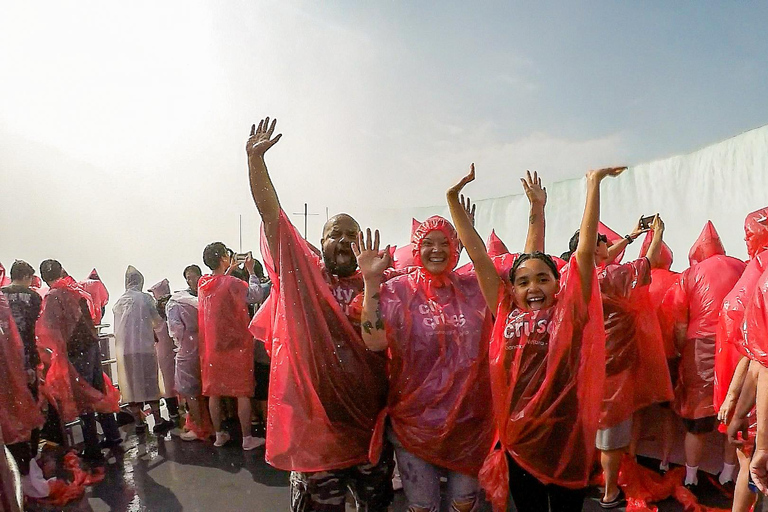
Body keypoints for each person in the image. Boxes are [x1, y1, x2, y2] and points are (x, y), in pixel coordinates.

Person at [450, 163, 619, 511]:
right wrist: (452, 200)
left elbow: (585, 253)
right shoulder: (506, 312)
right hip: (519, 437)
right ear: (512, 289)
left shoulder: (569, 313)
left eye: (543, 278)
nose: (534, 287)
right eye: (524, 282)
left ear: (559, 284)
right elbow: (478, 253)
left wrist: (592, 184)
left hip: (564, 433)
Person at [246, 117, 394, 511]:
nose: (344, 241)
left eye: (352, 234)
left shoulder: (382, 283)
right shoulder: (302, 280)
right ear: (320, 242)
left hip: (369, 430)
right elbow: (272, 217)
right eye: (335, 235)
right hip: (316, 435)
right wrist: (255, 162)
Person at [567, 216, 673, 507]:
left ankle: (590, 478)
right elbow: (647, 265)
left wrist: (632, 234)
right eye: (603, 242)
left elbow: (603, 255)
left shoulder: (573, 274)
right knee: (612, 432)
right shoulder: (611, 276)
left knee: (594, 423)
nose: (609, 246)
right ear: (596, 250)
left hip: (586, 362)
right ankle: (610, 492)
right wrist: (657, 234)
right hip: (615, 360)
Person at [662, 221, 746, 488]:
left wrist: (679, 348)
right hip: (735, 344)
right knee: (734, 412)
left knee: (696, 418)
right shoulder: (740, 266)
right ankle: (728, 473)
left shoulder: (690, 274)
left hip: (699, 347)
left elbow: (679, 321)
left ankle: (691, 476)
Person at [36, 259, 121, 461]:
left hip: (75, 350)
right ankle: (112, 434)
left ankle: (92, 446)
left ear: (44, 277)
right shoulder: (75, 289)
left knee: (83, 395)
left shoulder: (53, 296)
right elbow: (91, 315)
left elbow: (48, 328)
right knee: (98, 388)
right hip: (91, 343)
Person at [198, 244, 267, 451]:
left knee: (214, 392)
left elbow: (220, 284)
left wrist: (228, 270)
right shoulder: (232, 283)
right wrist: (252, 271)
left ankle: (219, 435)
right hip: (235, 346)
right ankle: (247, 438)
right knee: (242, 392)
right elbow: (254, 295)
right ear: (222, 257)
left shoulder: (203, 284)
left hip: (212, 347)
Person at [0, 262, 46, 497]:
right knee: (31, 407)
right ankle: (31, 456)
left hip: (6, 363)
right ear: (27, 276)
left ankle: (13, 462)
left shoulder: (2, 295)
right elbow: (34, 331)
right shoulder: (34, 297)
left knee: (10, 410)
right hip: (26, 359)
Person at [113, 266, 174, 434]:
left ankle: (139, 423)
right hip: (144, 348)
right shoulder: (145, 299)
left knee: (131, 386)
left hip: (125, 350)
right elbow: (157, 321)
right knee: (150, 383)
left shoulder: (118, 303)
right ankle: (158, 420)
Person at [167, 265, 210, 441]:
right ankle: (209, 425)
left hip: (186, 348)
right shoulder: (199, 300)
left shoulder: (176, 303)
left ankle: (199, 429)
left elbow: (175, 329)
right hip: (202, 346)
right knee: (202, 390)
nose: (189, 281)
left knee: (189, 391)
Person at [148, 279, 180, 422]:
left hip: (161, 347)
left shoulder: (155, 308)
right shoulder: (173, 303)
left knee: (168, 381)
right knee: (180, 377)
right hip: (176, 345)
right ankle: (186, 408)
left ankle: (173, 412)